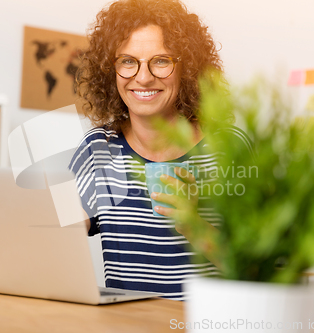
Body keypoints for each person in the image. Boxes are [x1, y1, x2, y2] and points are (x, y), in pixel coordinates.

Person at [69, 0, 253, 300]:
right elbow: (54, 241)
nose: (143, 77)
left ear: (188, 68)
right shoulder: (96, 150)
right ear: (110, 70)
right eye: (128, 61)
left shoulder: (229, 148)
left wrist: (194, 225)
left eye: (161, 60)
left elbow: (260, 271)